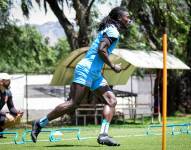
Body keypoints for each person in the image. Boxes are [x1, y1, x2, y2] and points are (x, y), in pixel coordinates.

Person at [31, 7, 132, 146]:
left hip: (95, 73)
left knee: (111, 101)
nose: (129, 20)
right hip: (86, 69)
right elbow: (101, 49)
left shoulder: (111, 30)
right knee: (73, 103)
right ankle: (40, 123)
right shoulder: (113, 31)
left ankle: (103, 135)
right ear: (120, 18)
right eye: (127, 17)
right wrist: (113, 66)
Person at [0, 73, 23, 138]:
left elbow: (11, 107)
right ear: (1, 81)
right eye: (7, 80)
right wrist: (4, 115)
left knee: (15, 118)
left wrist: (17, 113)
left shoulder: (8, 92)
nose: (9, 82)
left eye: (9, 80)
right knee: (4, 117)